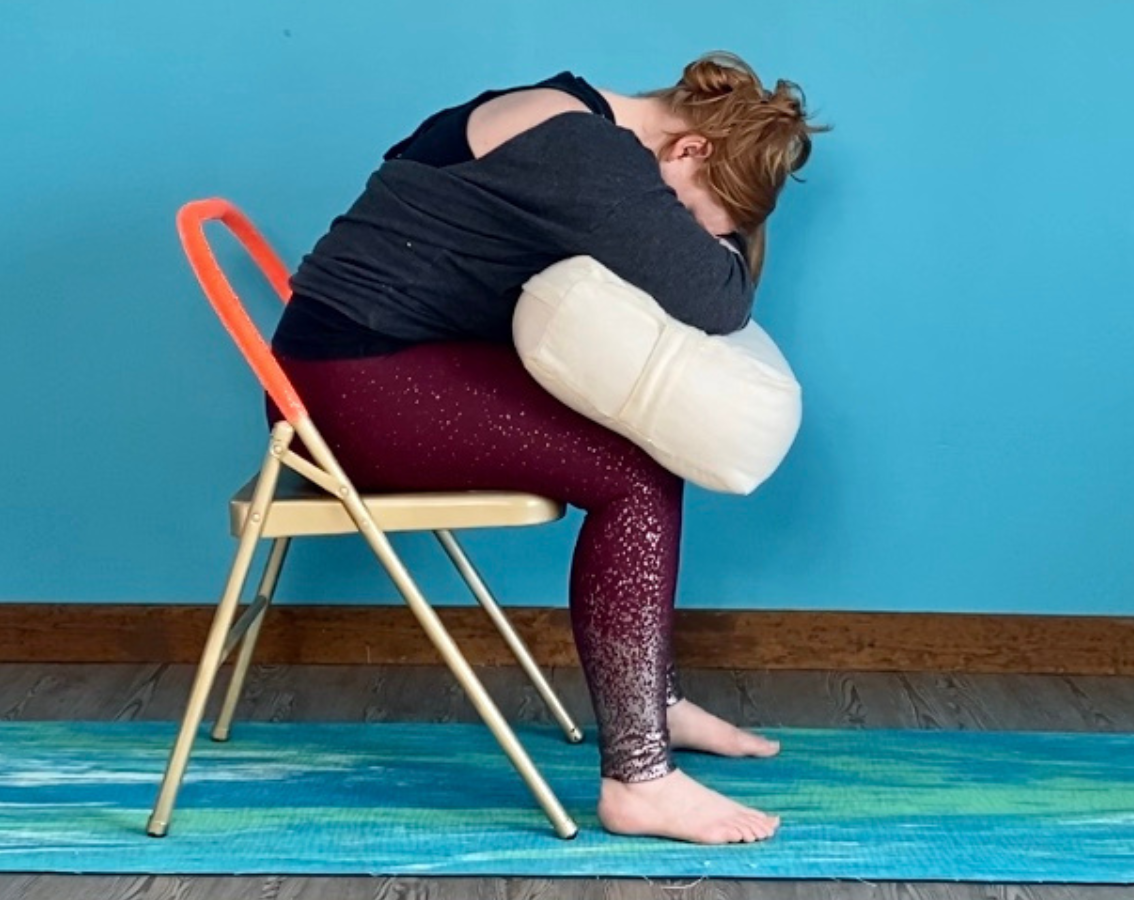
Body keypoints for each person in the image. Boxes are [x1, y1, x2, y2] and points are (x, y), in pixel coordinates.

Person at [269, 51, 826, 845]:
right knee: (630, 473)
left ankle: (652, 703)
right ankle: (639, 778)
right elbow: (716, 297)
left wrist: (712, 226)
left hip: (359, 366)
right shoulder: (581, 148)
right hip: (343, 394)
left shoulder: (563, 110)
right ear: (692, 149)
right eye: (697, 217)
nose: (679, 233)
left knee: (639, 434)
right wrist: (723, 252)